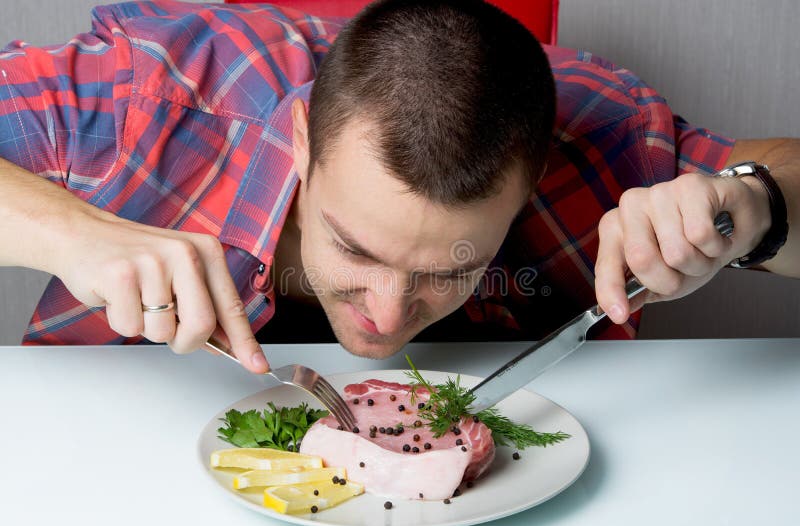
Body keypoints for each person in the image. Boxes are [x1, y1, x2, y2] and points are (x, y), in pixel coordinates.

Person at [0, 0, 796, 373]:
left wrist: (754, 206)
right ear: (303, 142)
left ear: (529, 189)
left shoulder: (601, 139)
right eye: (352, 245)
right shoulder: (148, 96)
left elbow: (778, 181)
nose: (384, 318)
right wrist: (70, 234)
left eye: (448, 267)